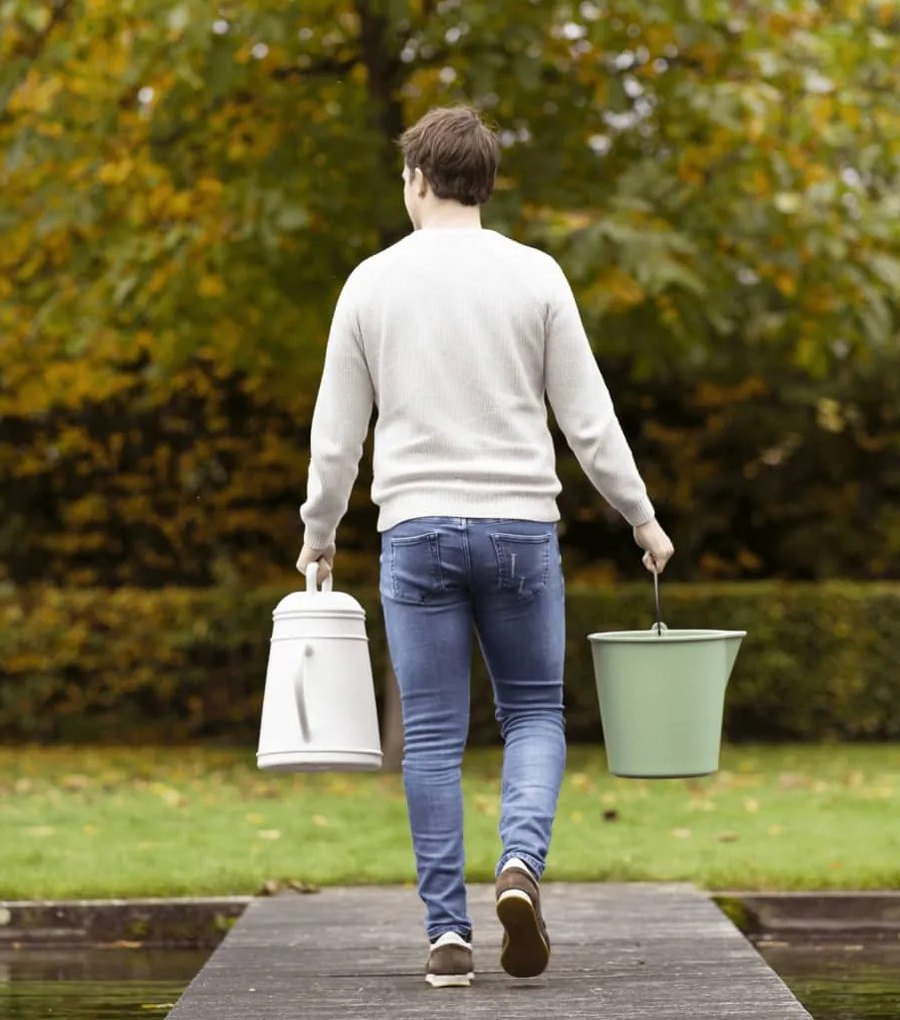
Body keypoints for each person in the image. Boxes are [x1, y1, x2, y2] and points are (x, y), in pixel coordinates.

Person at [295, 106, 674, 988]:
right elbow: (588, 419)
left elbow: (335, 438)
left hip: (415, 530)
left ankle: (446, 937)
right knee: (534, 713)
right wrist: (641, 518)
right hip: (519, 529)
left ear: (417, 181)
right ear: (486, 184)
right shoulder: (535, 276)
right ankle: (520, 868)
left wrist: (319, 534)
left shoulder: (370, 284)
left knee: (430, 735)